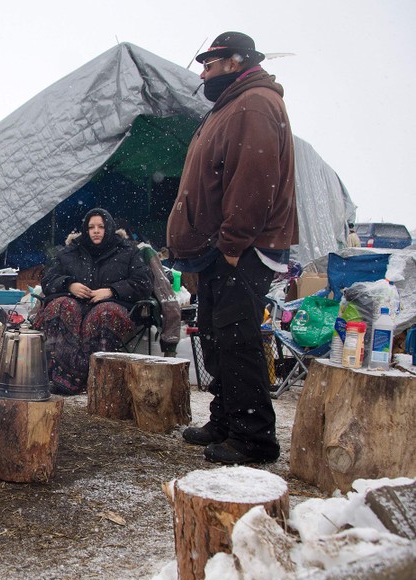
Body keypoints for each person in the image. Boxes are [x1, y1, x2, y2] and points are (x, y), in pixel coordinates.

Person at [167, 32, 298, 465]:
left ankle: (253, 437)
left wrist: (232, 243)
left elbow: (254, 179)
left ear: (236, 62)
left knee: (237, 338)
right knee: (214, 334)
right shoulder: (230, 106)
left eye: (210, 64)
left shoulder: (255, 102)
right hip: (218, 250)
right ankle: (226, 419)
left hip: (242, 248)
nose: (203, 73)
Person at [34, 208, 153, 394]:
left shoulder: (127, 251)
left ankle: (94, 379)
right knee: (63, 306)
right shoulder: (69, 252)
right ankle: (62, 376)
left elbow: (144, 283)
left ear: (110, 228)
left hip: (113, 307)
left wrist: (112, 291)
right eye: (91, 227)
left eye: (101, 226)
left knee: (103, 313)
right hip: (75, 306)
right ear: (85, 229)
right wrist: (69, 285)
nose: (96, 231)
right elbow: (48, 279)